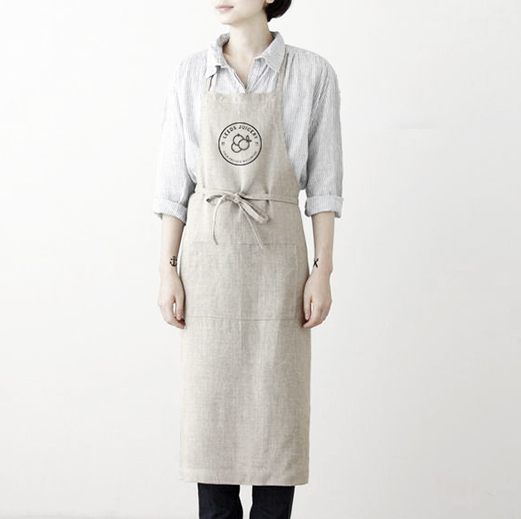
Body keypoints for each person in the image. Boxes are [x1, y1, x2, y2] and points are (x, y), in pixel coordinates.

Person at [153, 0, 343, 517]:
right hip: (208, 266)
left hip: (279, 269)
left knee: (277, 424)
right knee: (210, 429)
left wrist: (322, 271)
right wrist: (167, 269)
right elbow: (173, 186)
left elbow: (324, 187)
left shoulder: (312, 74)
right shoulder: (190, 74)